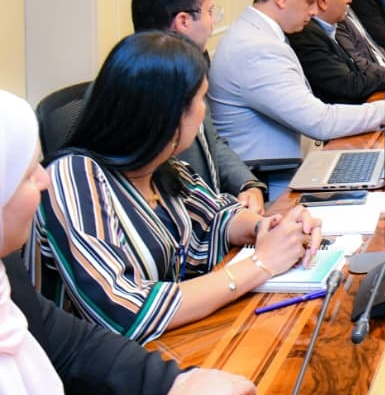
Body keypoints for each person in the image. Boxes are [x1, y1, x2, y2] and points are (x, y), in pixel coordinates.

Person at [0, 89, 269, 395]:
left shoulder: (5, 272)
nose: (44, 180)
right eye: (28, 174)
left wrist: (189, 386)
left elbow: (74, 347)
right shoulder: (73, 178)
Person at [30, 32, 319, 343]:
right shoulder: (72, 177)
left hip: (170, 342)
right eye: (200, 99)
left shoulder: (157, 167)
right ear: (167, 114)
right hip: (89, 365)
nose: (204, 110)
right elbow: (124, 311)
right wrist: (261, 264)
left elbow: (217, 216)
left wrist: (269, 228)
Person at [208, 0, 385, 191]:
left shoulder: (260, 34)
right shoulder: (257, 48)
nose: (314, 11)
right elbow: (320, 121)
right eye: (310, 2)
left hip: (296, 166)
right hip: (275, 182)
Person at [130, 0, 268, 215]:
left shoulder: (190, 67)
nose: (213, 21)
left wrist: (247, 184)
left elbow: (210, 138)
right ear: (183, 21)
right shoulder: (140, 87)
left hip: (215, 218)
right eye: (209, 11)